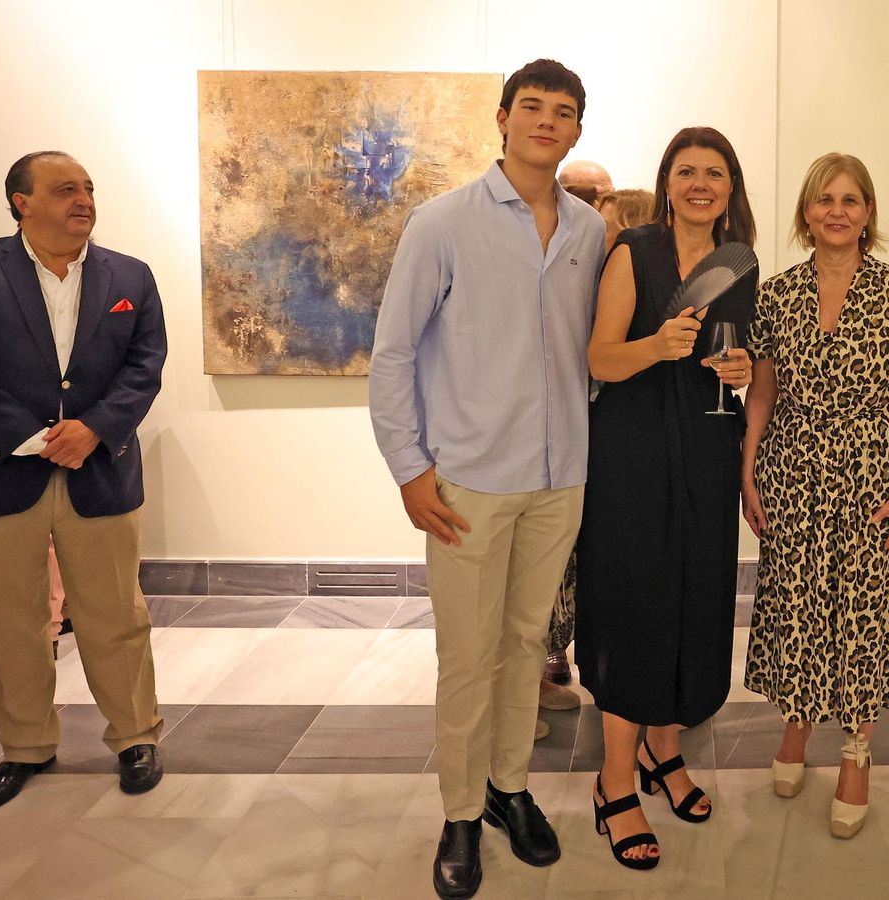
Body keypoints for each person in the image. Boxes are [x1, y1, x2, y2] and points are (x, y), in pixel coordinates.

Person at [368, 59, 605, 900]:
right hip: (468, 479)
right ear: (502, 119)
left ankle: (511, 789)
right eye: (532, 107)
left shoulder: (590, 232)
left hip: (561, 477)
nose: (547, 120)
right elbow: (392, 352)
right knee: (466, 658)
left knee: (526, 646)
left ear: (578, 129)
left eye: (564, 111)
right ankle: (461, 813)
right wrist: (410, 468)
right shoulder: (442, 224)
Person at [0, 151, 168, 813]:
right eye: (64, 190)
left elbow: (145, 364)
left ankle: (136, 738)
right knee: (13, 624)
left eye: (87, 189)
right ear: (21, 201)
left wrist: (95, 429)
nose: (83, 200)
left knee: (115, 617)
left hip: (99, 472)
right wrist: (36, 435)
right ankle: (25, 748)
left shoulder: (129, 275)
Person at [574, 126, 756, 869]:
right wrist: (656, 346)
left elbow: (736, 359)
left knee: (693, 597)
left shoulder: (737, 261)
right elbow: (599, 357)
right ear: (668, 181)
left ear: (730, 186)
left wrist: (740, 369)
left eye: (715, 172)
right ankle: (615, 782)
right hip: (633, 450)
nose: (700, 183)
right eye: (687, 171)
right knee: (634, 601)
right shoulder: (634, 251)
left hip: (708, 449)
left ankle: (665, 751)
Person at [741, 152, 889, 839]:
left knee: (861, 608)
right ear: (806, 211)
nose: (837, 211)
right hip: (793, 469)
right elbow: (762, 392)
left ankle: (857, 749)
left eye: (851, 200)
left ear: (868, 213)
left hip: (872, 471)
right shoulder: (778, 294)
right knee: (797, 601)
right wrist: (748, 470)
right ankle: (796, 724)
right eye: (825, 199)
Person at [539, 186, 660, 704]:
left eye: (611, 230)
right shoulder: (579, 286)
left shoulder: (642, 286)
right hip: (566, 444)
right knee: (555, 564)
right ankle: (542, 669)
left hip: (618, 448)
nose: (599, 240)